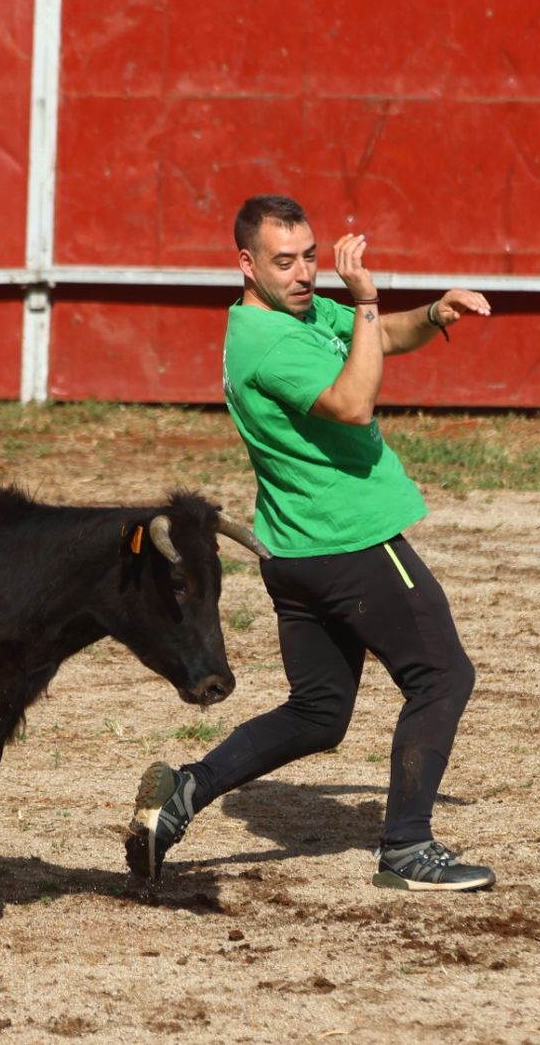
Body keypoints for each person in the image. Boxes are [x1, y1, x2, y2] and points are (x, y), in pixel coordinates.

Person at [124, 194, 495, 891]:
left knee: (318, 711)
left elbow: (378, 339)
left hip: (296, 552)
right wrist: (366, 300)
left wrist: (432, 314)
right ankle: (407, 845)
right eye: (284, 261)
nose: (303, 274)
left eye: (310, 257)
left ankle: (184, 793)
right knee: (443, 675)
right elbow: (354, 402)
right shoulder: (269, 347)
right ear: (246, 262)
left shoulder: (290, 313)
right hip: (350, 543)